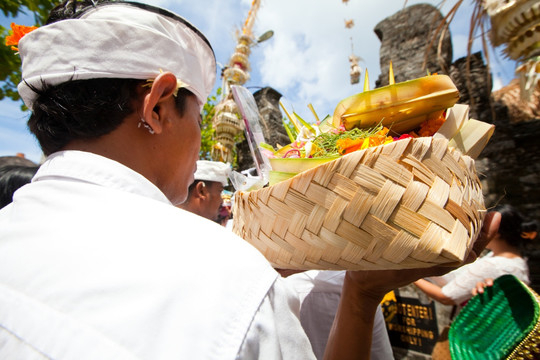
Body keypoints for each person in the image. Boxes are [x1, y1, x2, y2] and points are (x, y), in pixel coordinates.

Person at [0, 1, 498, 359]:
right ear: (157, 105)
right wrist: (362, 294)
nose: (199, 150)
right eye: (197, 117)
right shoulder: (228, 278)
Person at [414, 204, 536, 306]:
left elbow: (446, 296)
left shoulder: (493, 265)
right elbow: (455, 281)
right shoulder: (516, 261)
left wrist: (411, 276)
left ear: (496, 231)